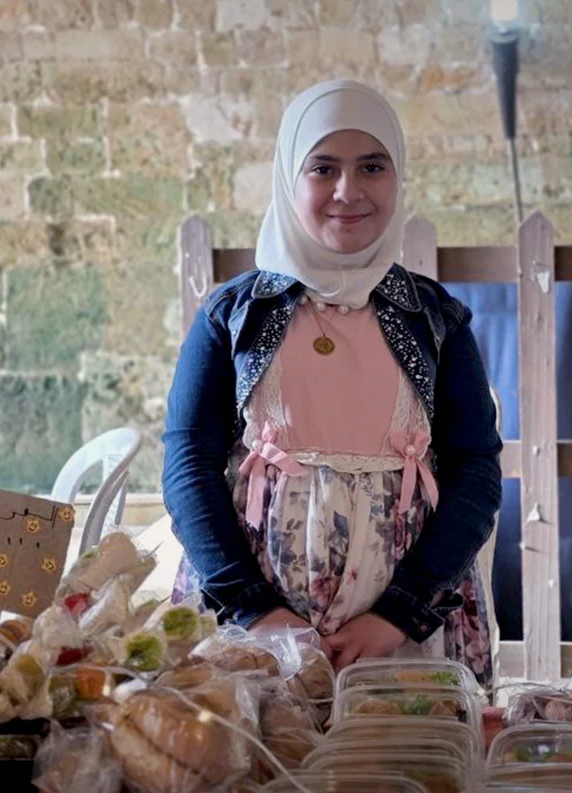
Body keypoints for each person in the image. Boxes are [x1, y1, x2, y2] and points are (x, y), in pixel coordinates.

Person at [161, 80, 503, 684]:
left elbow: (475, 471)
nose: (348, 190)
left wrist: (399, 613)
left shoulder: (436, 320)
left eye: (372, 166)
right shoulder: (232, 316)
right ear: (289, 177)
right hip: (252, 638)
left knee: (401, 746)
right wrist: (255, 610)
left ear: (397, 177)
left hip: (403, 638)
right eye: (323, 168)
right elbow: (188, 466)